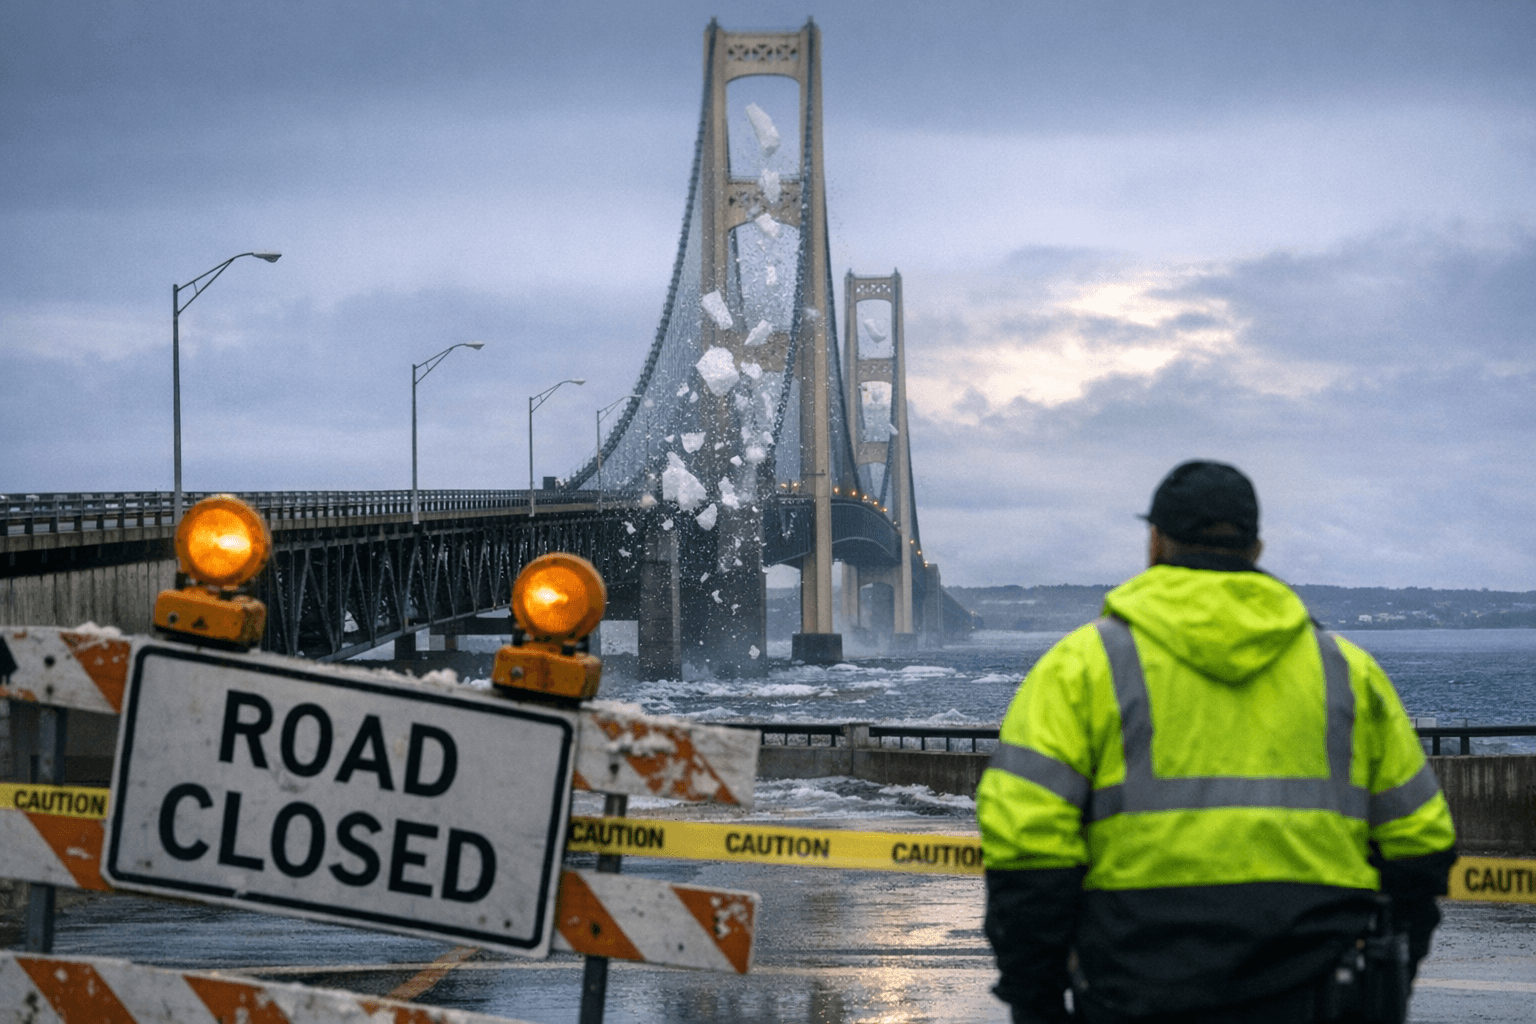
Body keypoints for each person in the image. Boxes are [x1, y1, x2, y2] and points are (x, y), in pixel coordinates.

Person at [976, 460, 1457, 1024]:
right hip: (1318, 993)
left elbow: (1026, 846)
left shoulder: (1081, 667)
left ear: (1154, 541)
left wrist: (1036, 1002)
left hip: (1132, 991)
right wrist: (1388, 982)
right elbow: (1421, 843)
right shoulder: (1346, 671)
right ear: (1256, 549)